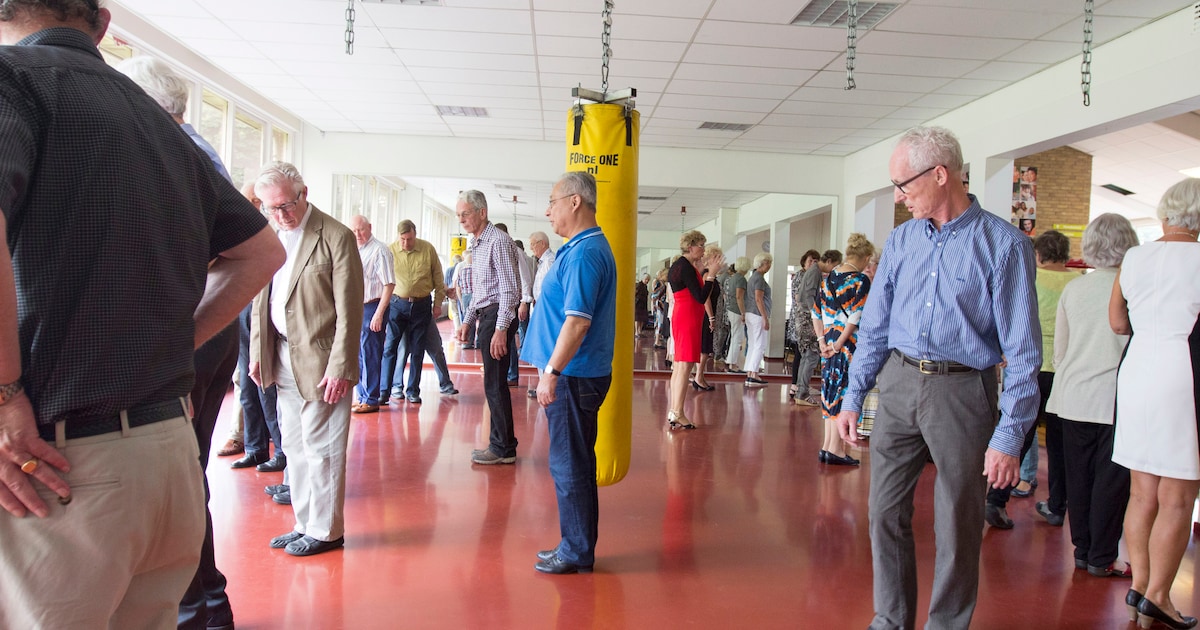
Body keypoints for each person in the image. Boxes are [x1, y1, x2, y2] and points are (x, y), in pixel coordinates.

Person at [0, 2, 283, 626]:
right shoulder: (159, 123)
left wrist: (4, 396)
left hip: (63, 467)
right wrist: (171, 346)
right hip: (165, 460)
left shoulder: (12, 79)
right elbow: (261, 253)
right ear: (101, 24)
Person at [836, 126, 1040, 630]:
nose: (899, 198)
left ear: (941, 174)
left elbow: (1023, 352)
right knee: (883, 511)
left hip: (963, 390)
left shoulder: (1004, 246)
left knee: (957, 520)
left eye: (904, 185)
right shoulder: (902, 241)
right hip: (900, 384)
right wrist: (850, 397)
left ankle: (946, 623)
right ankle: (891, 618)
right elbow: (876, 327)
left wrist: (1009, 438)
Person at [117, 51, 250, 630]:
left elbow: (244, 249)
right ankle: (204, 605)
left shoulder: (173, 154)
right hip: (207, 328)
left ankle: (198, 609)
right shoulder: (196, 147)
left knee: (177, 476)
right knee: (183, 472)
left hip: (192, 330)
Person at [249, 162, 364, 557]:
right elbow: (258, 298)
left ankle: (327, 530)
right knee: (294, 447)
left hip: (321, 360)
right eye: (272, 208)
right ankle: (304, 522)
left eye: (287, 204)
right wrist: (256, 352)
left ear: (304, 192)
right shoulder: (271, 236)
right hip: (280, 355)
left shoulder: (335, 236)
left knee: (323, 448)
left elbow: (351, 311)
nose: (283, 214)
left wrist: (342, 366)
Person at [1109, 178, 1200, 629]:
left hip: (1138, 369)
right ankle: (1161, 596)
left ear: (1166, 213)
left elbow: (1116, 320)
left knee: (1142, 492)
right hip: (1183, 371)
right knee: (1178, 498)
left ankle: (1140, 586)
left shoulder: (1135, 256)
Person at [522, 172, 616, 575]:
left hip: (574, 377)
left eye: (553, 201)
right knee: (572, 461)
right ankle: (575, 544)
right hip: (574, 375)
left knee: (570, 464)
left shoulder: (583, 253)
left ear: (575, 202)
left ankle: (577, 552)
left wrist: (552, 372)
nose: (548, 210)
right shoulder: (579, 248)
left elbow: (577, 322)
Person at [1042, 214, 1138, 577]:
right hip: (1115, 399)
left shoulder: (1075, 288)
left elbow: (1061, 352)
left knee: (1077, 478)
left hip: (1071, 396)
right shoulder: (1131, 286)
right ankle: (1102, 557)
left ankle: (1082, 550)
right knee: (1111, 482)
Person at [456, 190, 523, 465]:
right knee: (492, 384)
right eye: (459, 214)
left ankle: (504, 448)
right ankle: (501, 444)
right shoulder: (477, 244)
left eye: (466, 213)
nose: (461, 219)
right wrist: (467, 320)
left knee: (495, 385)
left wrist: (500, 329)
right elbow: (481, 290)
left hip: (498, 316)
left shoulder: (498, 241)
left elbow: (509, 290)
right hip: (487, 314)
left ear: (482, 212)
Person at [230, 181, 286, 476]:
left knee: (265, 383)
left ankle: (281, 451)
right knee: (246, 384)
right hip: (241, 308)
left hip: (264, 310)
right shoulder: (236, 228)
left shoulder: (275, 232)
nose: (251, 206)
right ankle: (255, 448)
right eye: (248, 200)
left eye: (256, 200)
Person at [812, 234, 874, 467]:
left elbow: (816, 313)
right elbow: (856, 317)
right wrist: (840, 344)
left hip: (827, 342)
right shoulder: (860, 280)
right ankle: (836, 449)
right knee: (843, 391)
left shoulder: (828, 279)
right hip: (847, 345)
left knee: (829, 391)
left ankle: (828, 445)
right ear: (865, 257)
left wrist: (823, 342)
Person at [381, 220, 445, 405]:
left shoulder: (428, 249)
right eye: (402, 239)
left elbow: (438, 278)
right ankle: (386, 391)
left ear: (414, 234)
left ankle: (413, 391)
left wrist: (438, 303)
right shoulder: (390, 250)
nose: (405, 243)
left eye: (408, 239)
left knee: (417, 350)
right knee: (390, 348)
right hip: (396, 305)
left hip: (421, 305)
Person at [666, 231, 722, 429]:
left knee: (681, 366)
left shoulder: (682, 266)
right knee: (684, 365)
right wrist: (712, 274)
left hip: (685, 315)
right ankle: (678, 412)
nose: (703, 248)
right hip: (687, 316)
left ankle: (675, 410)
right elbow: (700, 296)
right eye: (701, 245)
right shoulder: (684, 267)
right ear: (691, 246)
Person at [348, 215, 395, 414]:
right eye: (354, 230)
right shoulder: (354, 250)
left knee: (371, 353)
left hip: (373, 307)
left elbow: (389, 284)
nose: (358, 234)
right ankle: (362, 396)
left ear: (370, 227)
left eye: (361, 229)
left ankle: (372, 398)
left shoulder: (380, 250)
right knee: (358, 354)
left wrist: (378, 314)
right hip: (356, 307)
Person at [787, 249, 821, 405]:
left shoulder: (810, 275)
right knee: (803, 355)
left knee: (803, 355)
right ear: (803, 262)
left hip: (803, 318)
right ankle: (798, 387)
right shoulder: (802, 276)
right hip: (803, 319)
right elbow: (801, 297)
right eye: (810, 261)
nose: (813, 264)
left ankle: (800, 386)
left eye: (815, 261)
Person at [526, 230, 556, 398]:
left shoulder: (550, 262)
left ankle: (546, 386)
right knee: (539, 350)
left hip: (546, 312)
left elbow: (551, 291)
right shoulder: (542, 262)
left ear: (542, 243)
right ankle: (541, 385)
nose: (531, 249)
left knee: (545, 350)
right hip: (539, 309)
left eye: (533, 245)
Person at [692, 243, 724, 390]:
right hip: (705, 315)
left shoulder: (711, 275)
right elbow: (706, 299)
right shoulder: (707, 274)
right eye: (717, 257)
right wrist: (711, 317)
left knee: (706, 346)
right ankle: (698, 376)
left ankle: (700, 375)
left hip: (708, 314)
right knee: (705, 347)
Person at [743, 252, 773, 387]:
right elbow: (758, 299)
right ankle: (753, 374)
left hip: (751, 314)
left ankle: (750, 373)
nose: (770, 266)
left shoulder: (753, 277)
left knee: (753, 344)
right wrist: (765, 318)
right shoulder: (759, 278)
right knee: (760, 345)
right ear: (763, 263)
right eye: (768, 263)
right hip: (757, 314)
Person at [723, 257, 750, 372]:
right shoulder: (741, 279)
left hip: (729, 309)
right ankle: (732, 364)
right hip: (736, 310)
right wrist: (743, 312)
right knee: (737, 338)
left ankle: (730, 361)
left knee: (734, 336)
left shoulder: (730, 279)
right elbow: (739, 297)